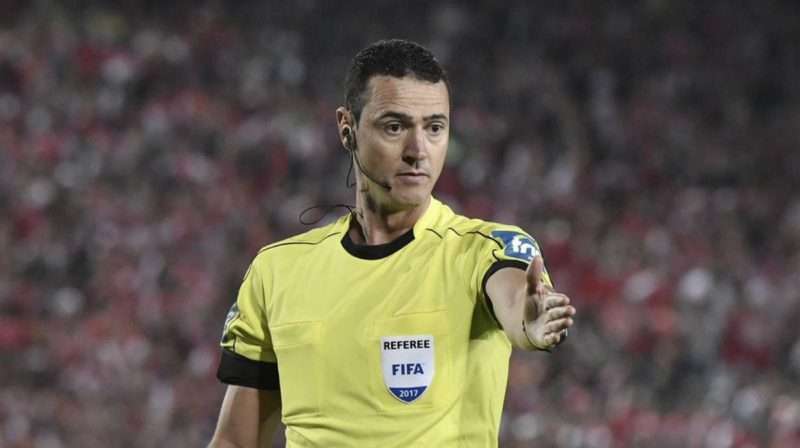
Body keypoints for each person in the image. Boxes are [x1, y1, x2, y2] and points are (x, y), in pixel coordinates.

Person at [208, 39, 575, 448]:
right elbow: (235, 441)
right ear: (347, 128)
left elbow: (516, 300)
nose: (418, 151)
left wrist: (530, 322)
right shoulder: (277, 272)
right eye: (395, 127)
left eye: (434, 128)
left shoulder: (483, 250)